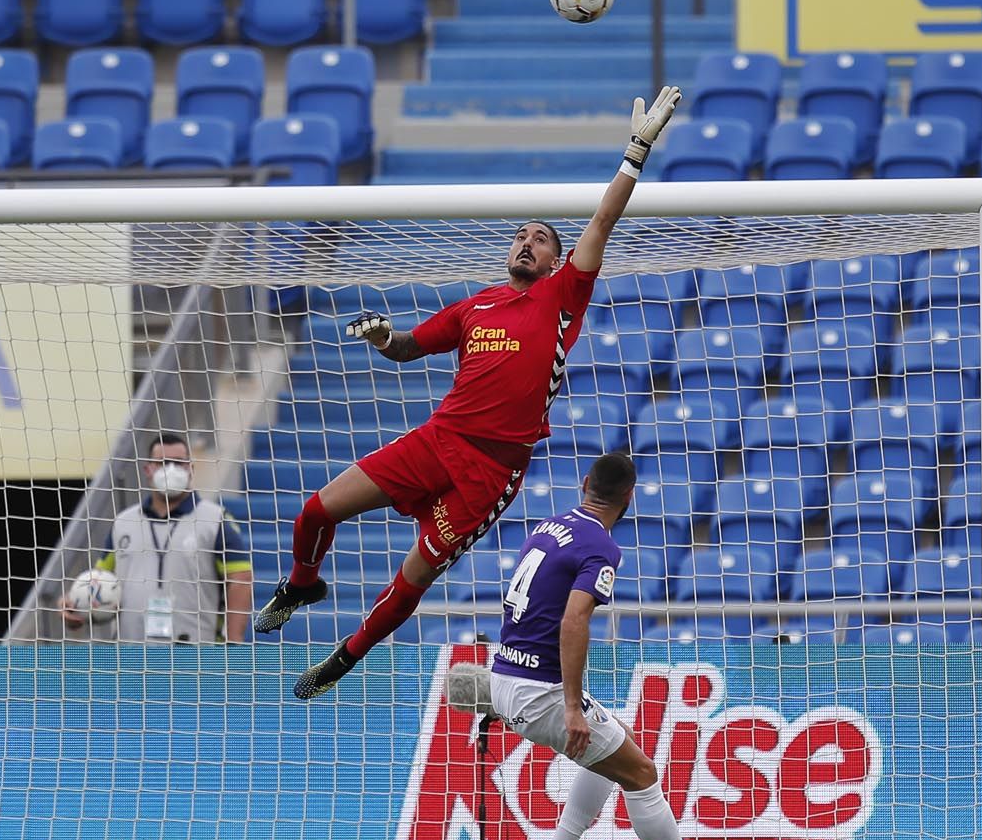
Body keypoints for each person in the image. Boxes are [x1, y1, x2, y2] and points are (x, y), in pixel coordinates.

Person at [256, 85, 684, 701]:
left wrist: (635, 151)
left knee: (413, 576)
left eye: (540, 238)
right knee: (316, 510)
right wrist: (384, 336)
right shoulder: (474, 306)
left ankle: (347, 656)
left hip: (489, 471)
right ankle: (302, 583)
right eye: (520, 234)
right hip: (438, 439)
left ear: (556, 261)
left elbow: (603, 221)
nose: (526, 242)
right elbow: (408, 346)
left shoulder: (562, 297)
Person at [490, 451, 750, 840]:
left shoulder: (545, 527)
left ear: (585, 482)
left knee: (617, 742)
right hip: (541, 691)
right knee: (641, 773)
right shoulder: (601, 547)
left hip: (507, 673)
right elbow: (574, 620)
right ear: (630, 497)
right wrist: (571, 705)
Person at [62, 432, 253, 644]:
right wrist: (75, 606)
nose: (170, 469)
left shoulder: (216, 519)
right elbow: (100, 580)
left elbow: (241, 579)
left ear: (191, 469)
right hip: (132, 655)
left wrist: (234, 643)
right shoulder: (123, 522)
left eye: (178, 463)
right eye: (162, 462)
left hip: (196, 653)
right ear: (147, 470)